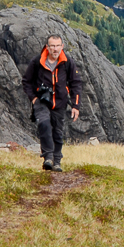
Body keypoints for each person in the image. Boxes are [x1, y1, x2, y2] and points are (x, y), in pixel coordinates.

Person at [21, 34, 82, 171]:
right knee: (44, 124)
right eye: (52, 46)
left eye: (57, 46)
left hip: (60, 103)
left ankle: (57, 161)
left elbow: (76, 83)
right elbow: (26, 81)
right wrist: (34, 99)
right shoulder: (37, 62)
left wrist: (75, 106)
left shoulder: (67, 63)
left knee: (57, 132)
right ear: (47, 47)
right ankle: (48, 157)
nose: (55, 49)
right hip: (42, 101)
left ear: (62, 46)